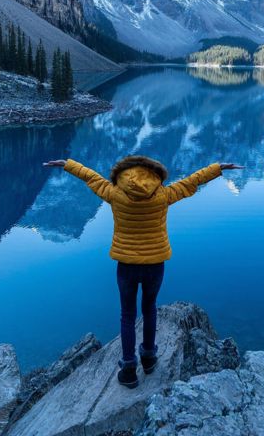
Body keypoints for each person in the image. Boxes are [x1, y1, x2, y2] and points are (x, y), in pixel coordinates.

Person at [43, 155, 242, 389]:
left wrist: (67, 165)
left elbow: (90, 177)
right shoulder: (163, 195)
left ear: (123, 175)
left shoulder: (115, 194)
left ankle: (128, 369)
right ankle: (149, 358)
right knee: (149, 309)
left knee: (127, 315)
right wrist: (218, 168)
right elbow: (192, 182)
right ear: (154, 175)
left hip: (126, 265)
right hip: (155, 264)